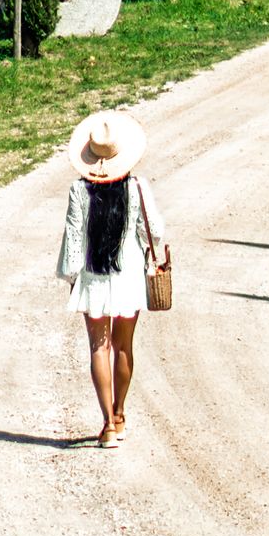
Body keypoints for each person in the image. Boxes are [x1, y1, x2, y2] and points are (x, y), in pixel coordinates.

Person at [57, 110, 168, 446]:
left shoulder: (79, 190)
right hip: (129, 277)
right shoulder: (136, 187)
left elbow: (73, 237)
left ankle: (105, 424)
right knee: (123, 346)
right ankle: (119, 414)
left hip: (93, 276)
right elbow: (155, 232)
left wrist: (70, 275)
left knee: (98, 348)